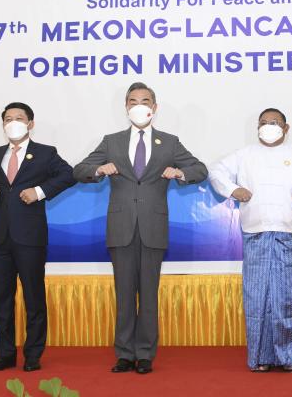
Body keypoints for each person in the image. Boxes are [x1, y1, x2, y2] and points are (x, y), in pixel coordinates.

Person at [73, 82, 207, 375]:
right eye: (133, 101)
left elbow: (200, 169)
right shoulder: (111, 141)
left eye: (145, 100)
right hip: (120, 227)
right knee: (124, 295)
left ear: (154, 107)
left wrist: (180, 172)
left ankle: (145, 354)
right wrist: (98, 170)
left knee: (148, 295)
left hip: (152, 228)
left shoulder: (170, 142)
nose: (139, 106)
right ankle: (124, 354)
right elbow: (79, 169)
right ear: (126, 107)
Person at [209, 108, 292, 373]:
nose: (269, 127)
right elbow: (216, 172)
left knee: (287, 298)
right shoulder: (244, 155)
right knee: (257, 298)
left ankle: (287, 357)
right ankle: (259, 358)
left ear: (286, 128)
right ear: (257, 127)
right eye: (264, 123)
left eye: (275, 122)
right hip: (256, 232)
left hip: (289, 232)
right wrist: (234, 189)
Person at [0, 102, 75, 372]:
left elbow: (68, 175)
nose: (13, 122)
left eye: (19, 118)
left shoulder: (45, 153)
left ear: (30, 124)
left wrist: (40, 191)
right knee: (2, 299)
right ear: (3, 125)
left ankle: (33, 355)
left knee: (33, 298)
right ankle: (5, 354)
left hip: (30, 237)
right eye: (8, 119)